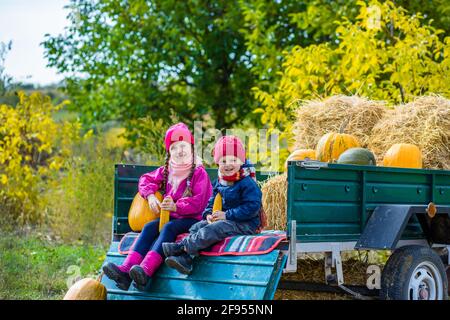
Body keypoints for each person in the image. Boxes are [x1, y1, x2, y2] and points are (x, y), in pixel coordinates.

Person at [102, 123, 212, 290]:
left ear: (191, 147)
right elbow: (145, 179)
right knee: (149, 227)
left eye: (183, 146)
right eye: (174, 148)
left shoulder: (199, 172)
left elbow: (199, 202)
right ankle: (125, 272)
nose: (180, 151)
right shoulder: (168, 170)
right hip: (172, 216)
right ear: (169, 152)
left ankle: (146, 271)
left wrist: (176, 206)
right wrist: (151, 196)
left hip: (193, 218)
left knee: (168, 227)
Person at [162, 135, 262, 275]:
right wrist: (208, 214)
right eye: (224, 160)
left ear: (241, 161)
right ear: (218, 163)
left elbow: (252, 208)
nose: (228, 164)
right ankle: (187, 258)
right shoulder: (221, 182)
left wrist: (226, 215)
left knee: (217, 228)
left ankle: (182, 247)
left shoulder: (247, 183)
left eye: (233, 160)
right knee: (198, 226)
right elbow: (211, 202)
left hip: (246, 223)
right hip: (227, 220)